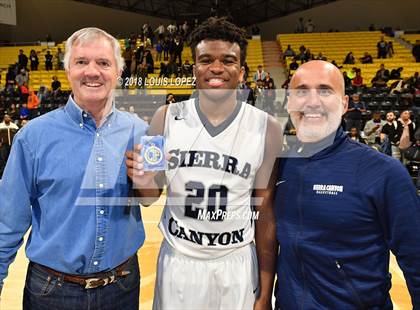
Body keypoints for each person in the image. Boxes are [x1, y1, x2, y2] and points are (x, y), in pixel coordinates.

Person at [126, 17, 281, 310]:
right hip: (179, 260)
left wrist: (265, 289)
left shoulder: (267, 127)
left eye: (228, 60)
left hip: (236, 261)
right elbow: (148, 199)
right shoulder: (164, 117)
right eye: (206, 59)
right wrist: (142, 181)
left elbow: (264, 209)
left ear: (242, 71)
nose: (217, 68)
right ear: (194, 68)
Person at [0, 27, 149, 309]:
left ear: (118, 71)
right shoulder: (33, 137)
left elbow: (151, 197)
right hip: (52, 292)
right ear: (68, 69)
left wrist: (150, 183)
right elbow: (7, 221)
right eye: (81, 62)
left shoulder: (142, 133)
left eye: (103, 63)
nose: (92, 71)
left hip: (122, 287)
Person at [274, 60, 420, 308]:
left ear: (344, 104)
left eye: (325, 90)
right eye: (301, 91)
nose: (312, 101)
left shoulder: (383, 172)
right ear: (289, 103)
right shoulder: (279, 166)